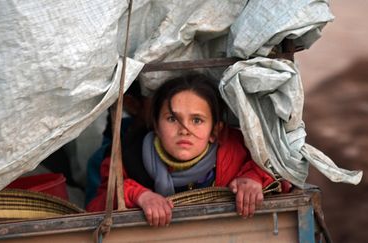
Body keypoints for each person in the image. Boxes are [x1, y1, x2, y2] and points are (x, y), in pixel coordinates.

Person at [87, 74, 291, 226]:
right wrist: (137, 195)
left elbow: (281, 173)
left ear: (215, 131)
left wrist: (254, 179)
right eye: (172, 119)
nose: (184, 130)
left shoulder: (242, 151)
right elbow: (95, 208)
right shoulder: (126, 158)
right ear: (156, 126)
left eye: (197, 120)